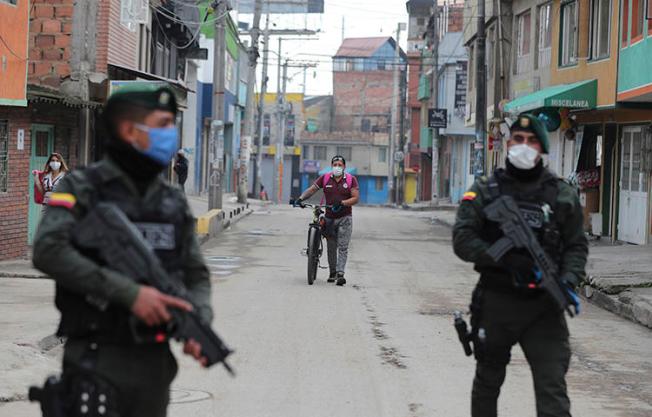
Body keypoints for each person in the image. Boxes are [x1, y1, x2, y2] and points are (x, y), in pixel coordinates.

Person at [32, 86, 212, 417]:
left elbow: (195, 272)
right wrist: (129, 294)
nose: (171, 134)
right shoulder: (81, 187)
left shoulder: (171, 200)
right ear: (130, 130)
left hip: (154, 366)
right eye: (163, 124)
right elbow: (47, 249)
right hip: (95, 356)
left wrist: (198, 319)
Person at [452, 114, 588, 417]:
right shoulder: (486, 189)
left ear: (542, 148)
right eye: (518, 140)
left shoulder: (561, 194)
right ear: (508, 143)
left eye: (531, 141)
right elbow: (462, 239)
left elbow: (576, 245)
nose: (523, 146)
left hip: (544, 307)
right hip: (497, 303)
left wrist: (568, 280)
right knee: (487, 383)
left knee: (553, 390)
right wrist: (501, 257)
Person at [292, 155, 359, 286]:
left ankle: (340, 274)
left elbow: (355, 198)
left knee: (343, 247)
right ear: (331, 166)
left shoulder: (351, 180)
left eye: (340, 165)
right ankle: (333, 272)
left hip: (345, 218)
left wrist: (343, 203)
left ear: (344, 167)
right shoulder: (325, 178)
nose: (337, 167)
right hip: (329, 218)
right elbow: (312, 190)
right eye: (335, 165)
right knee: (331, 246)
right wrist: (300, 199)